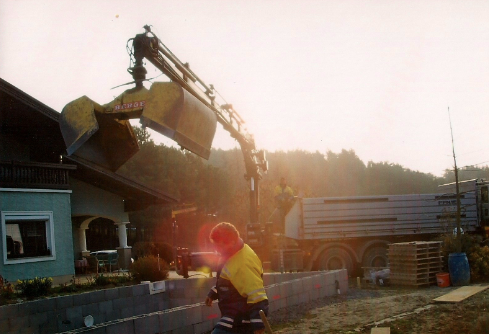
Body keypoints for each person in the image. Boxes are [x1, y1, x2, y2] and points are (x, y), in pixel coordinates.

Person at [205, 222, 269, 334]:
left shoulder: (244, 264)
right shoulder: (230, 254)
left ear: (232, 242)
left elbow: (257, 296)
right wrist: (214, 292)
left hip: (241, 317)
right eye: (215, 246)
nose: (217, 250)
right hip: (234, 312)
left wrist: (258, 326)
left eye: (219, 246)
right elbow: (230, 281)